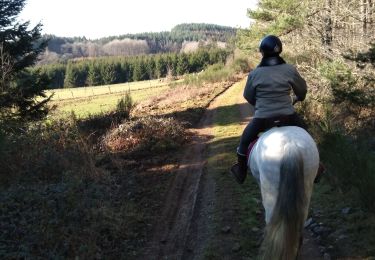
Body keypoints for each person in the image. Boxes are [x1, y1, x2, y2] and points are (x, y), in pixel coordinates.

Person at [231, 35, 314, 184]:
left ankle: (241, 172)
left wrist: (261, 105)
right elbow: (301, 92)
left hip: (262, 119)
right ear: (279, 50)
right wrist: (298, 98)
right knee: (309, 139)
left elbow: (248, 96)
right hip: (289, 116)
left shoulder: (255, 74)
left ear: (262, 52)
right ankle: (317, 167)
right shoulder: (289, 69)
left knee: (244, 142)